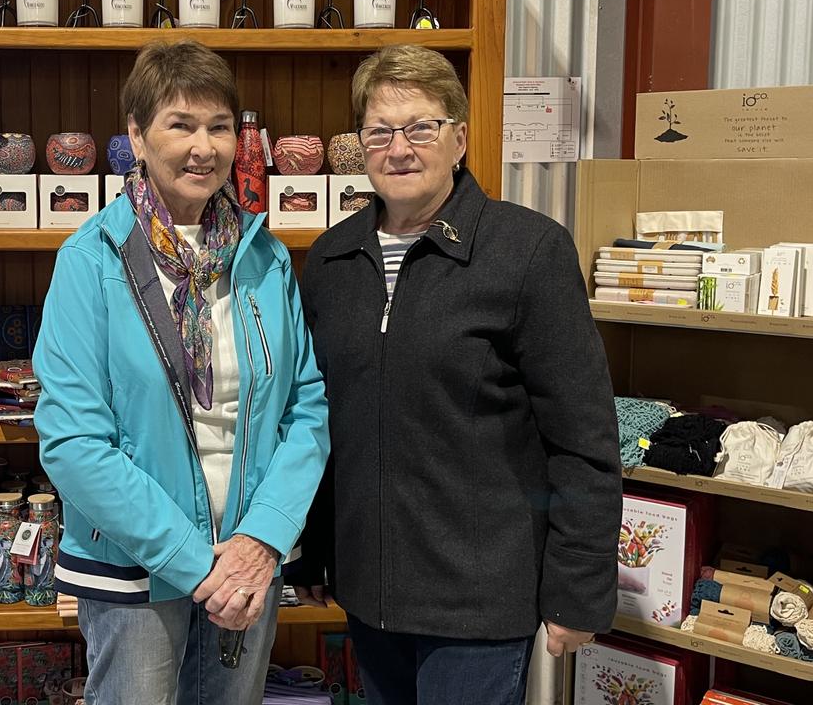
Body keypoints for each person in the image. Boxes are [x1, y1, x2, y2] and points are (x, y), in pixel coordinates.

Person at [288, 44, 622, 705]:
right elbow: (322, 421)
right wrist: (316, 548)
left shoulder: (527, 252)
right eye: (380, 131)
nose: (400, 148)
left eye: (421, 127)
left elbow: (584, 439)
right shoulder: (332, 259)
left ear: (459, 138)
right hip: (368, 592)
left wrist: (578, 588)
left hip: (479, 603)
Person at [33, 40, 330, 705]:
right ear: (136, 135)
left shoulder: (265, 259)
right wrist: (199, 567)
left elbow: (305, 408)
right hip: (136, 571)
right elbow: (74, 443)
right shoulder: (91, 261)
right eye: (181, 124)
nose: (204, 147)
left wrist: (261, 538)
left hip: (248, 564)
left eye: (219, 127)